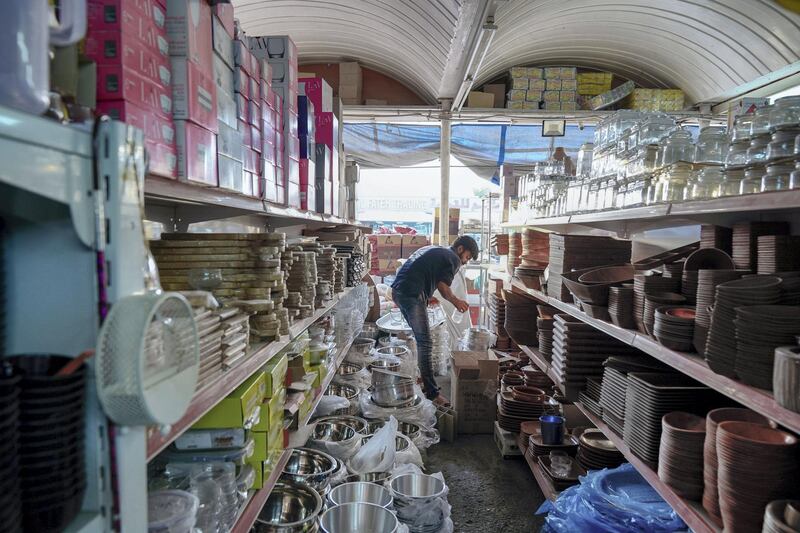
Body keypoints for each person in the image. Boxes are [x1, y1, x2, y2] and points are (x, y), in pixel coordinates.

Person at [391, 235, 479, 406]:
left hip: (399, 291)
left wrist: (427, 295)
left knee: (419, 339)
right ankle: (432, 393)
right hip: (410, 294)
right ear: (460, 249)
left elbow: (422, 271)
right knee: (425, 342)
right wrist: (457, 302)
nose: (466, 262)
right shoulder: (453, 258)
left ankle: (421, 379)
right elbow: (444, 288)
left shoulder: (437, 250)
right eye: (467, 257)